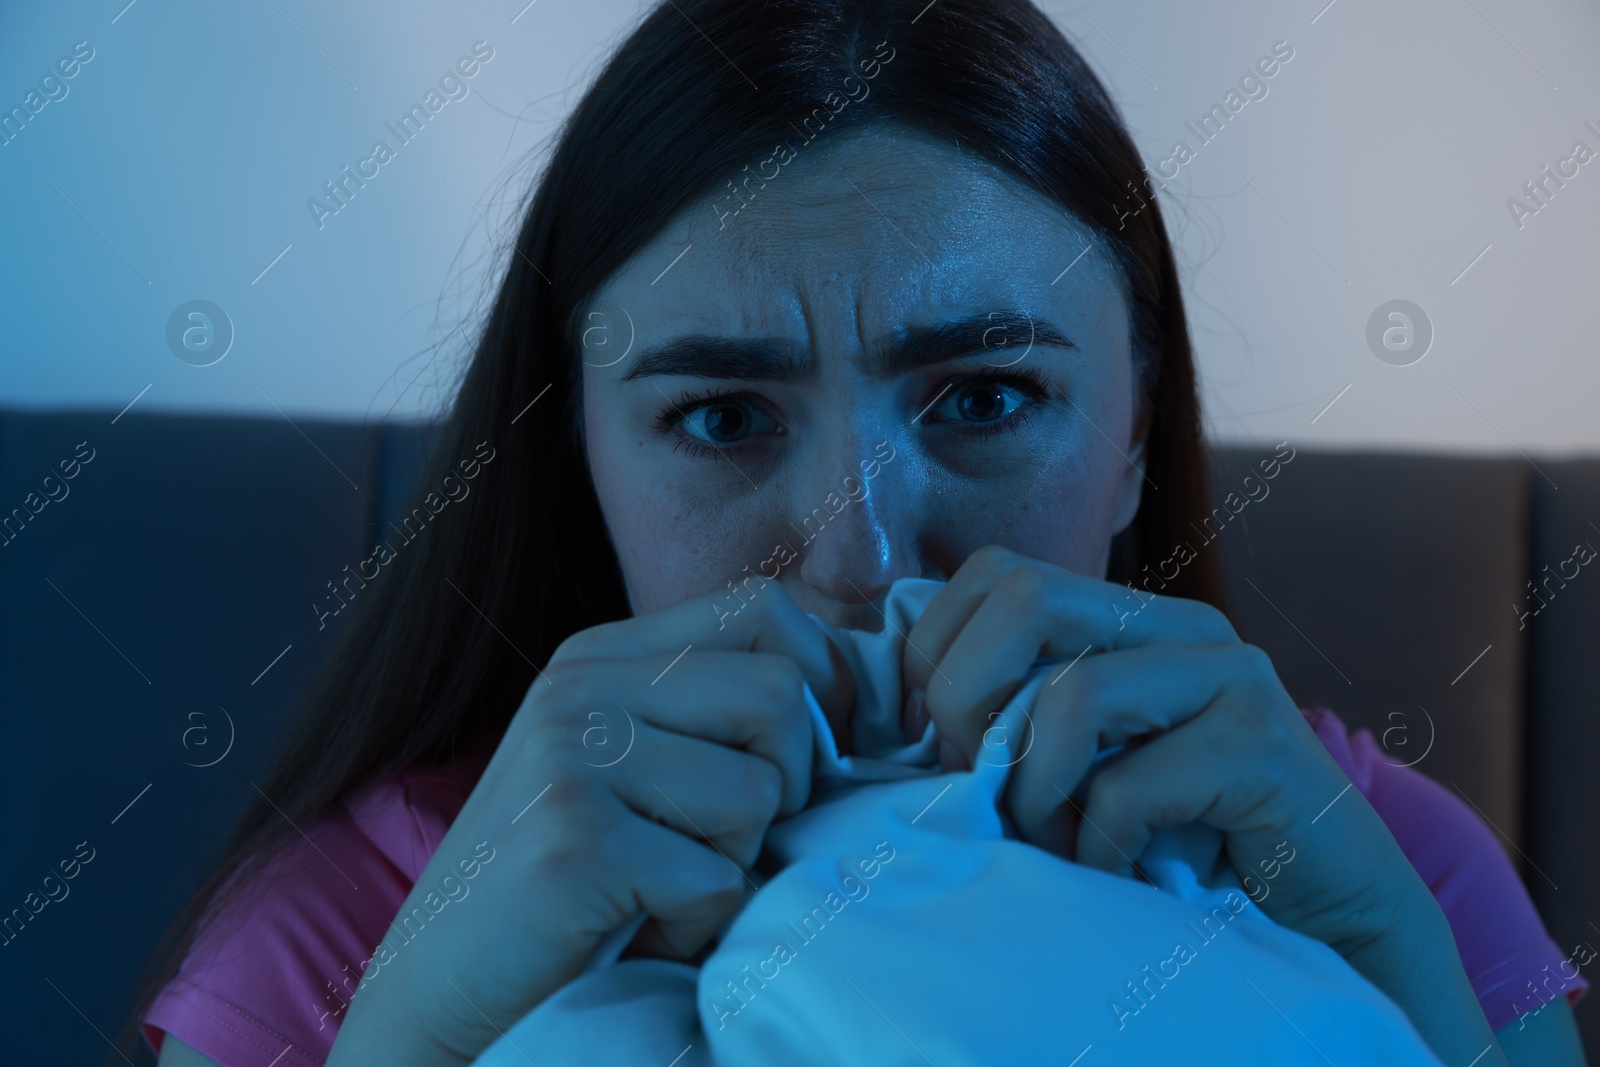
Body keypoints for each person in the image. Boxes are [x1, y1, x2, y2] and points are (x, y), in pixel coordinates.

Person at [120, 0, 1588, 1063]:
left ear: (1136, 438)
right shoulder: (338, 938)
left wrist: (1401, 966)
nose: (862, 559)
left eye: (990, 397)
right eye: (721, 419)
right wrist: (415, 1039)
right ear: (581, 465)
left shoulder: (1369, 863)